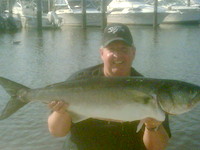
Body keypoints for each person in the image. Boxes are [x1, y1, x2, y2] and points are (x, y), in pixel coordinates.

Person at [48, 23, 171, 150]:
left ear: (133, 52)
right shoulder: (79, 81)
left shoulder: (149, 90)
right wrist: (61, 111)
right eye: (112, 49)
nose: (118, 55)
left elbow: (156, 148)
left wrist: (152, 125)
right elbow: (57, 132)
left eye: (124, 49)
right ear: (102, 53)